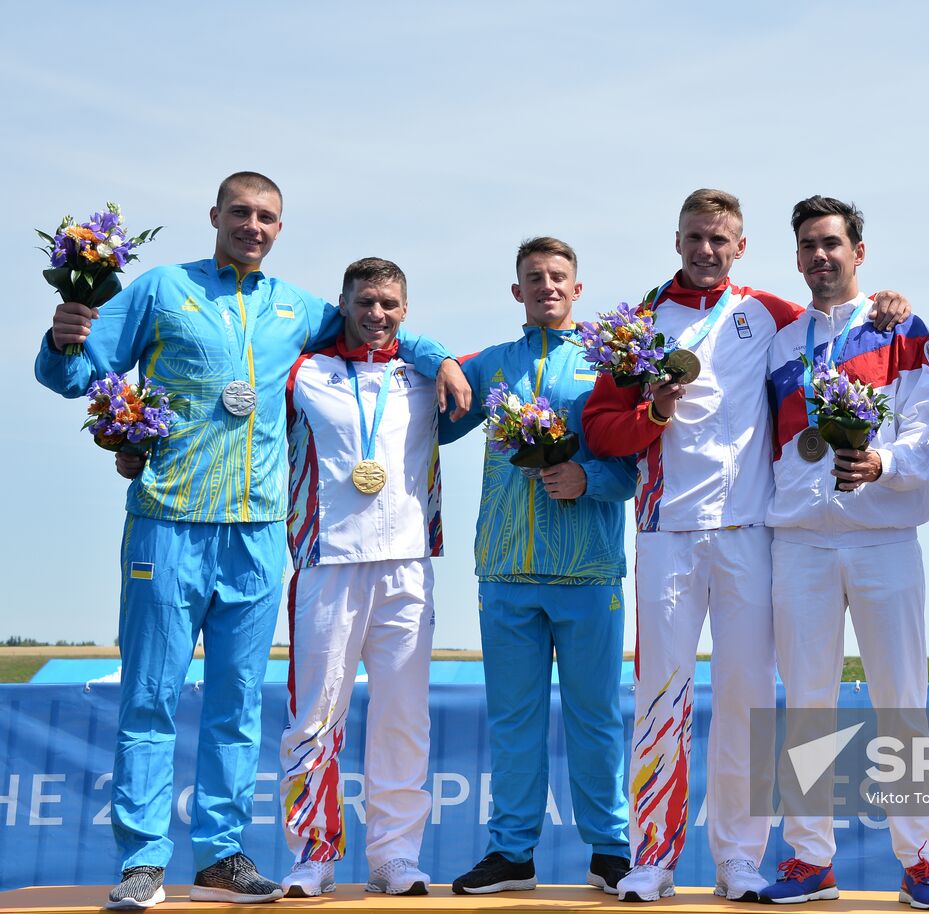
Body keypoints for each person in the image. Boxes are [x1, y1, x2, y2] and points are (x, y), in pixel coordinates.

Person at [35, 172, 468, 910]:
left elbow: (377, 322)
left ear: (279, 227)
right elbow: (75, 374)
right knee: (151, 696)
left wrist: (441, 356)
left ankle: (220, 854)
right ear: (215, 215)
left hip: (261, 530)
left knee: (238, 703)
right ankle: (142, 860)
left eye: (267, 216)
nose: (254, 225)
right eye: (241, 212)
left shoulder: (296, 308)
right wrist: (61, 336)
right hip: (168, 518)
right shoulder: (162, 288)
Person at [582, 189, 909, 903]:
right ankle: (655, 859)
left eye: (720, 240)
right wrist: (653, 410)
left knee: (747, 702)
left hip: (754, 534)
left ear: (741, 247)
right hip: (667, 532)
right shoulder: (639, 324)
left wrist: (887, 304)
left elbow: (839, 321)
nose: (707, 250)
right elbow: (602, 429)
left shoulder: (768, 314)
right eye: (695, 237)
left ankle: (739, 857)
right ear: (677, 241)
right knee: (660, 698)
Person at [760, 196, 929, 908]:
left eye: (832, 243)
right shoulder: (782, 340)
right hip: (801, 541)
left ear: (859, 253)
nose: (820, 256)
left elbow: (927, 427)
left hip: (883, 538)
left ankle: (922, 861)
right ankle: (811, 860)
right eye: (808, 245)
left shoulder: (899, 326)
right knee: (807, 707)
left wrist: (884, 465)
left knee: (903, 704)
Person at [443, 238, 637, 897]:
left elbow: (638, 457)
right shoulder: (492, 365)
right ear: (517, 292)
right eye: (534, 278)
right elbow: (432, 417)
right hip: (505, 570)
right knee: (513, 719)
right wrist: (432, 359)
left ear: (577, 289)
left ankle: (610, 850)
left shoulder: (610, 366)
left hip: (588, 572)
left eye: (558, 277)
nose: (547, 286)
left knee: (596, 717)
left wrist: (593, 480)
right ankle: (512, 853)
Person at [275, 257, 445, 898]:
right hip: (327, 561)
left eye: (391, 304)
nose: (377, 314)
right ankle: (313, 855)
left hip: (408, 564)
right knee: (316, 714)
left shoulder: (427, 374)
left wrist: (443, 357)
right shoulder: (305, 372)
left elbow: (466, 372)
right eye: (366, 301)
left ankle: (395, 855)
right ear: (344, 303)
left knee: (403, 716)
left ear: (406, 309)